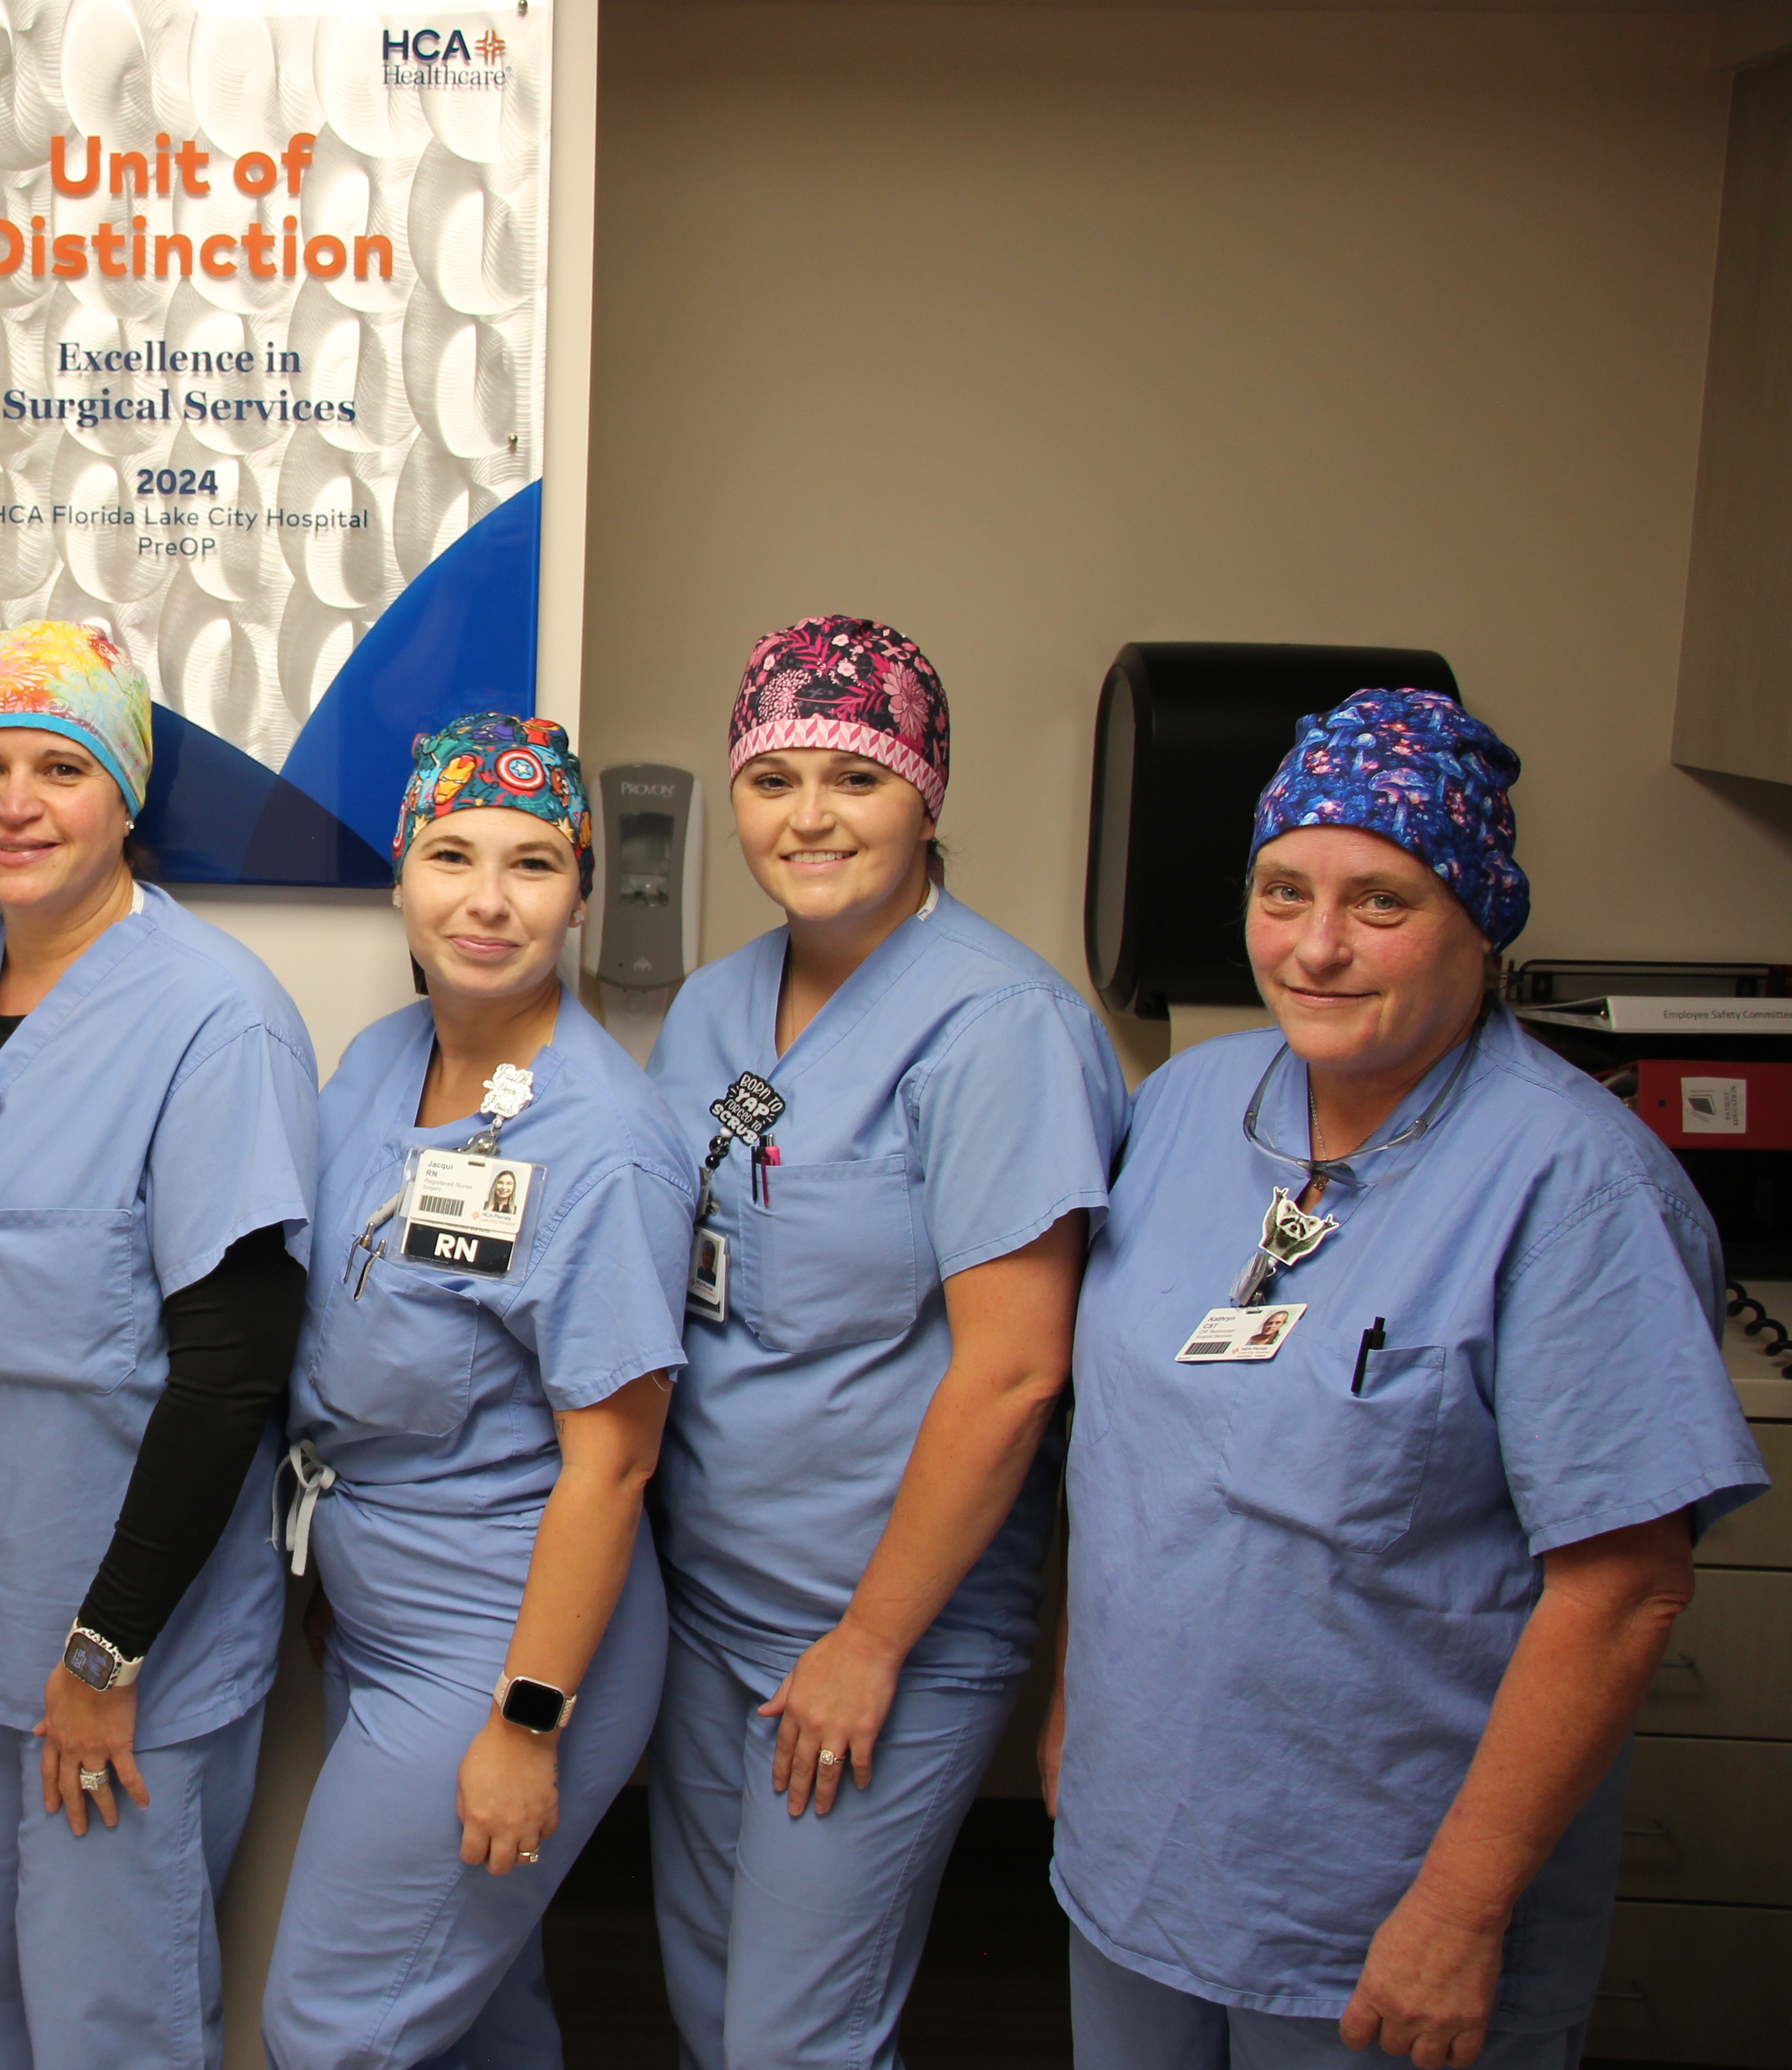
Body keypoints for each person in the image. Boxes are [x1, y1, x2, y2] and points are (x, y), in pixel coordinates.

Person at [1045, 689, 1768, 2070]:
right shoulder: (1194, 1107)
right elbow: (1133, 1451)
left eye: (1382, 902)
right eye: (1282, 891)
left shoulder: (1575, 1187)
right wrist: (1081, 1710)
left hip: (1379, 1904)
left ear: (1482, 921)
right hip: (1145, 1852)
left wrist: (1456, 1913)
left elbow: (1623, 1593)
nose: (1316, 947)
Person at [644, 615, 1129, 2070]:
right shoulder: (713, 1002)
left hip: (878, 1631)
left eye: (849, 778)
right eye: (769, 776)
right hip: (705, 1600)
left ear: (923, 793)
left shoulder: (998, 1026)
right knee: (708, 2000)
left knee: (797, 2037)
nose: (805, 817)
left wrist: (868, 1641)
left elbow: (1014, 1368)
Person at [0, 620, 319, 2070]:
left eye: (61, 764)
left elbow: (231, 1368)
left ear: (125, 792)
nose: (14, 801)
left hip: (126, 1654)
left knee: (111, 2023)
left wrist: (103, 1651)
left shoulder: (212, 1018)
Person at [260, 715, 694, 2070]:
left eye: (533, 864)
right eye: (452, 855)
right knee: (474, 2019)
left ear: (579, 889)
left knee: (331, 2029)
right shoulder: (383, 1060)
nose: (488, 901)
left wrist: (524, 1724)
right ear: (400, 875)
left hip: (507, 1645)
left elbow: (612, 1466)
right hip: (387, 1618)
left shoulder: (604, 1142)